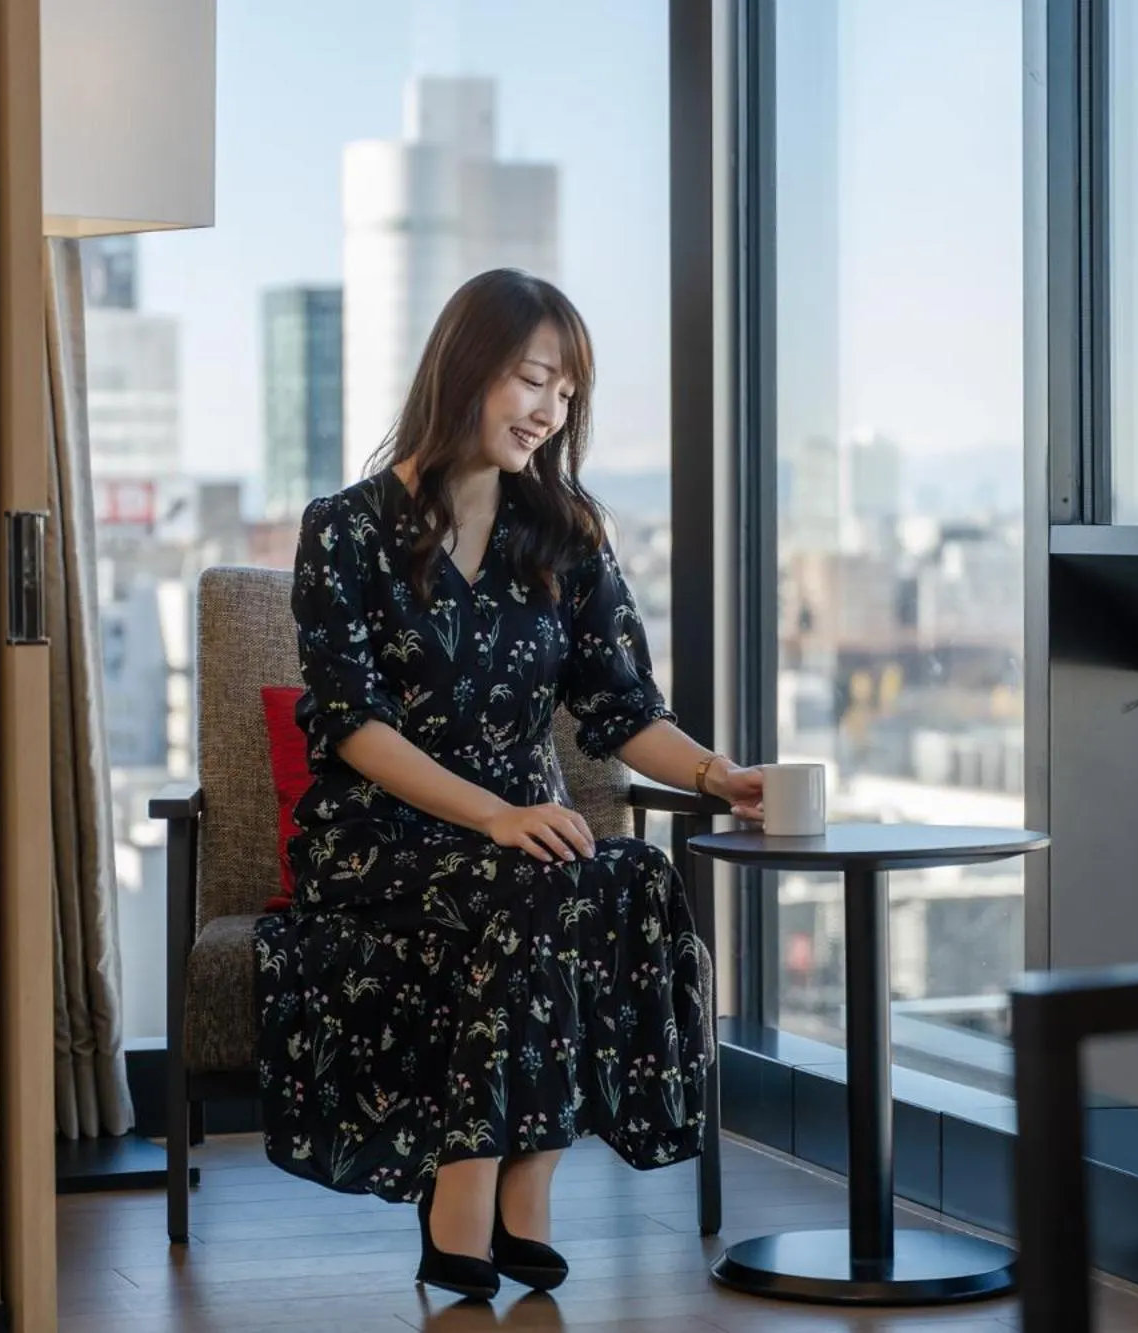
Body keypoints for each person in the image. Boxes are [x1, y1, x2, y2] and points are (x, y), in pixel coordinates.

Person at [254, 268, 765, 1301]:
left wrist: (719, 775)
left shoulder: (566, 537)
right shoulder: (344, 530)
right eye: (533, 379)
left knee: (619, 879)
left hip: (522, 835)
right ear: (466, 369)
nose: (548, 409)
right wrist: (494, 813)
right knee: (542, 878)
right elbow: (351, 727)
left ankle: (509, 1191)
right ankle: (472, 1190)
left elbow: (621, 711)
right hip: (382, 837)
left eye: (566, 392)